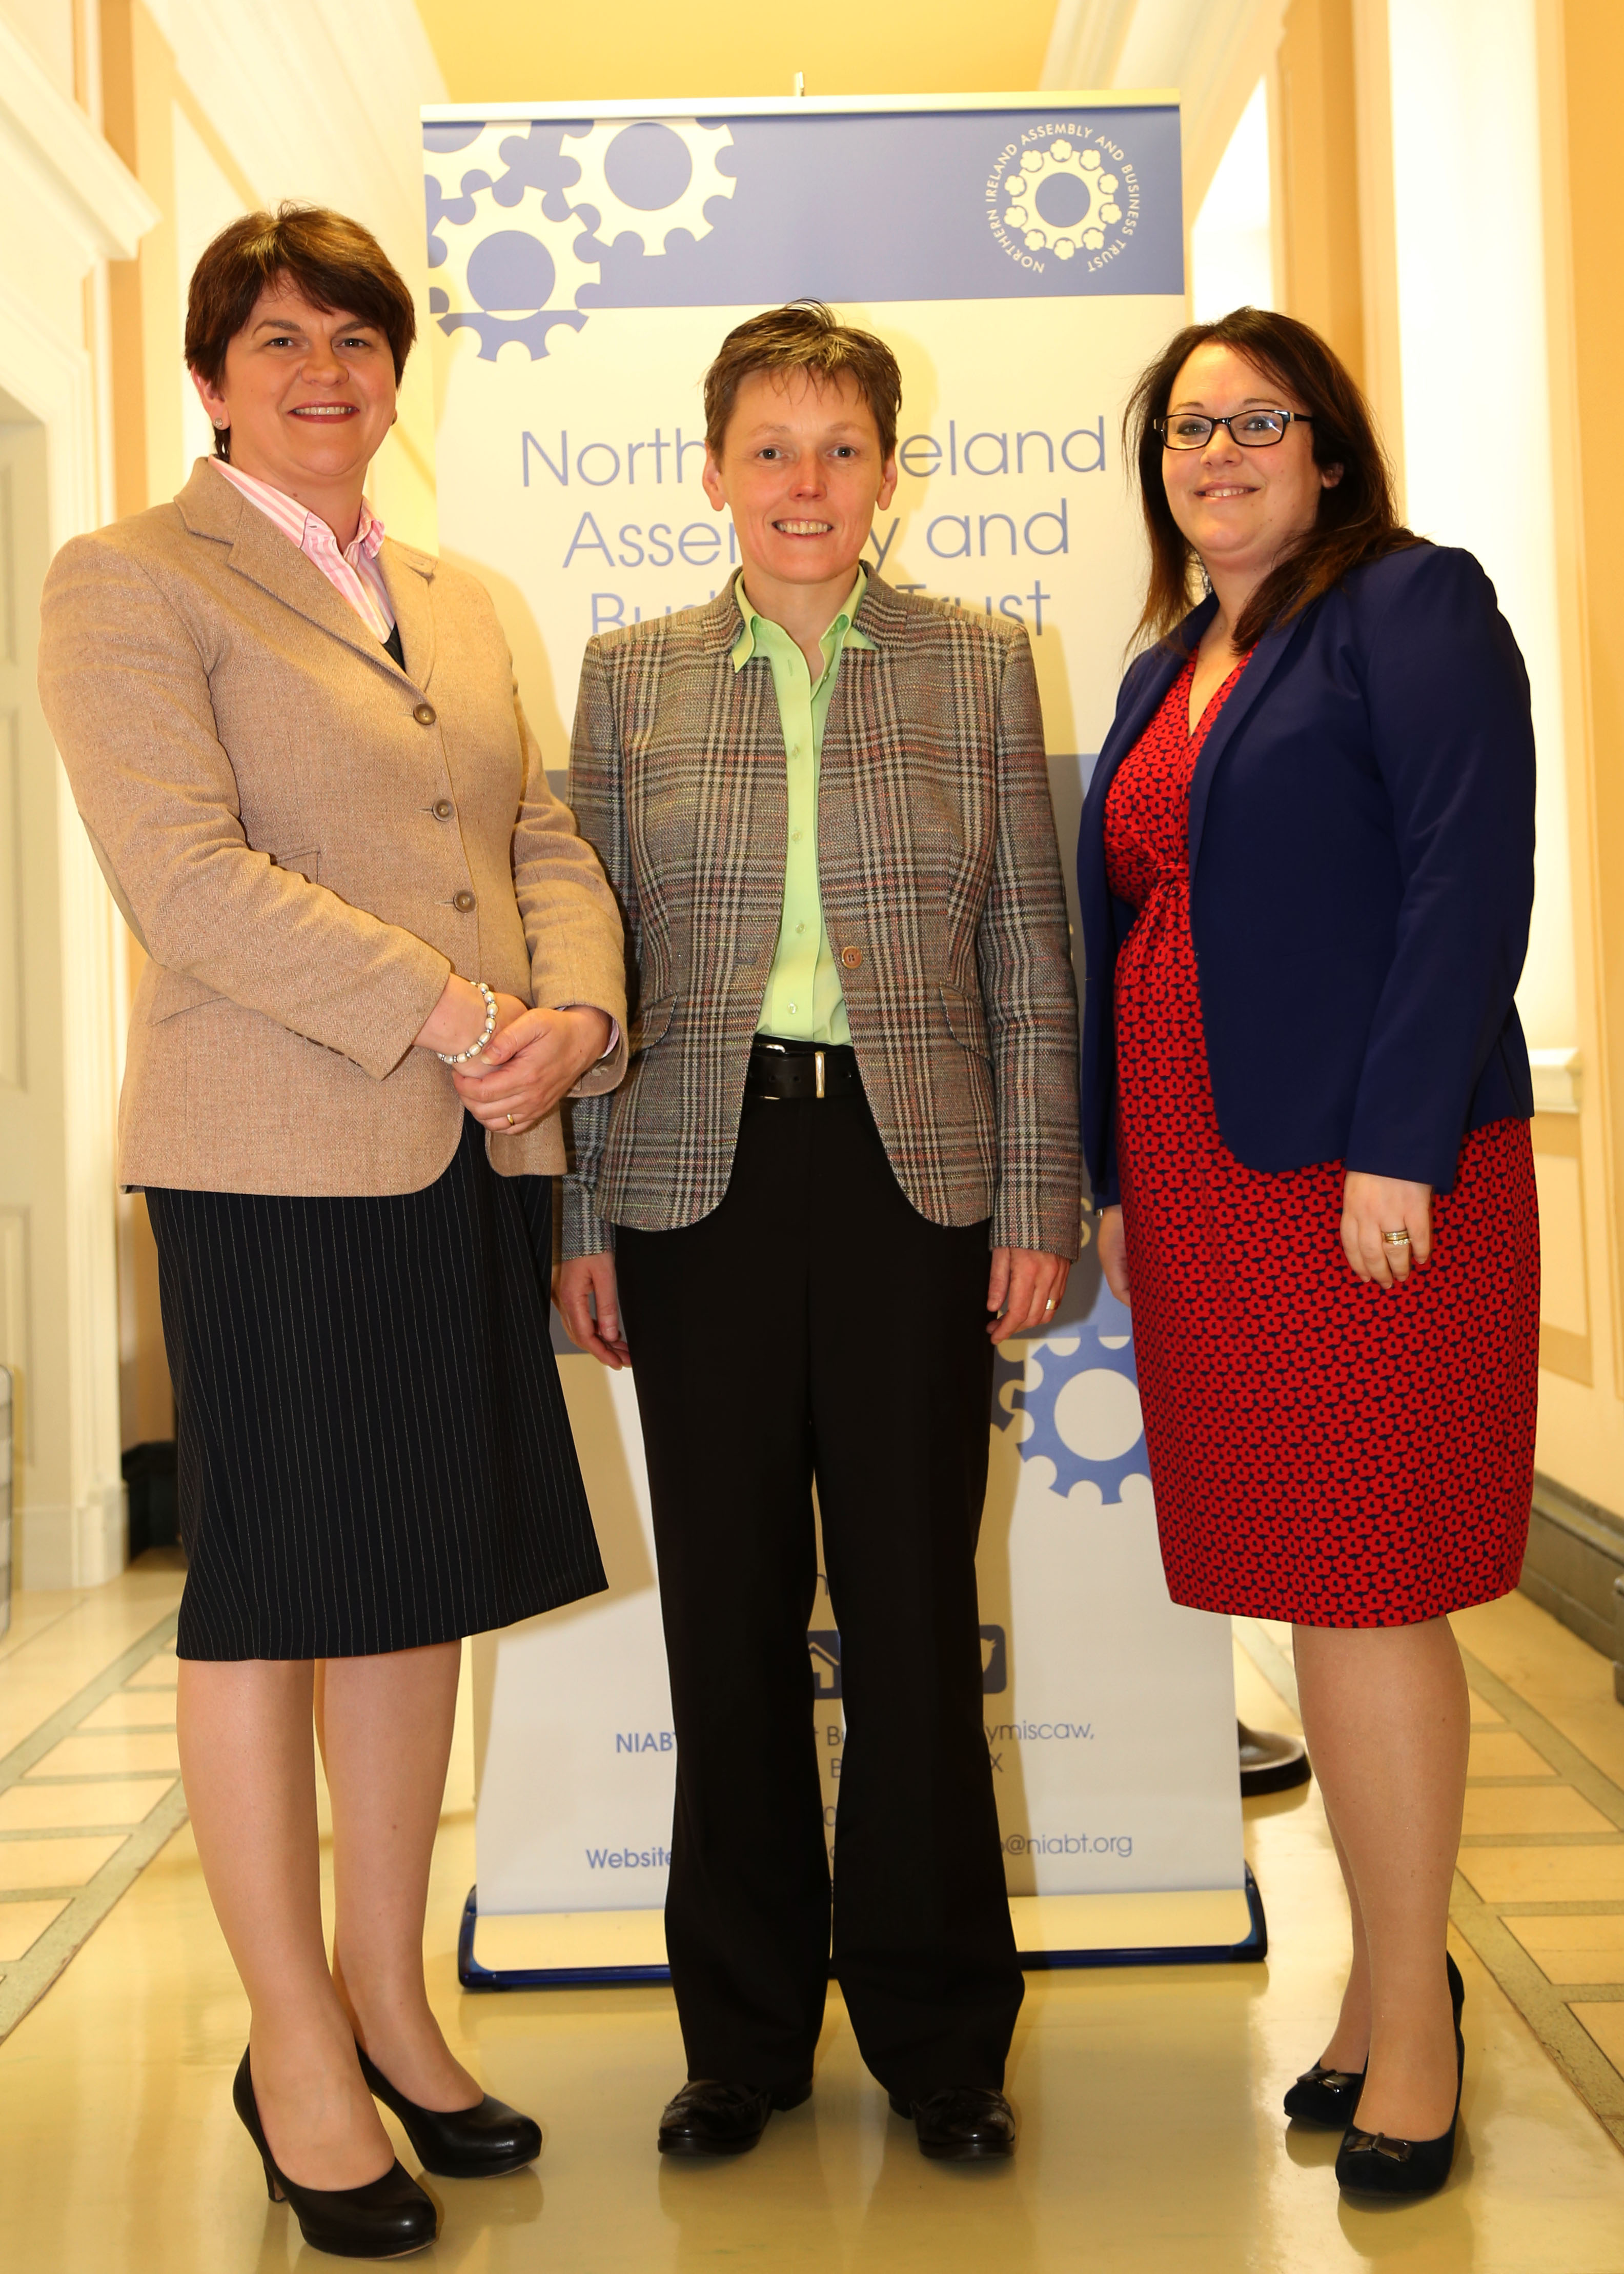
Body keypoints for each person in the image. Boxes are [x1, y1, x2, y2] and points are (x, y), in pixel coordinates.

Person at [37, 206, 628, 2260]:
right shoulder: (128, 576)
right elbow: (183, 874)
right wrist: (460, 1014)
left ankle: (392, 1999)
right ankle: (293, 2044)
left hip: (469, 1148)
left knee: (410, 1582)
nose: (322, 370)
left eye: (356, 337)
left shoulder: (460, 600)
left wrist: (575, 1015)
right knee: (274, 1595)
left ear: (398, 369)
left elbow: (535, 830)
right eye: (278, 338)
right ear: (212, 376)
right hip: (271, 1158)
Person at [556, 303, 1080, 2163]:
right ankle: (745, 2037)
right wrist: (583, 1203)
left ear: (887, 473)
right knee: (728, 1615)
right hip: (692, 1180)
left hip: (909, 1176)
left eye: (840, 447)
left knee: (916, 1614)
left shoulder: (980, 663)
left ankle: (942, 2040)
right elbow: (588, 948)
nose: (804, 481)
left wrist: (1036, 1193)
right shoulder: (628, 676)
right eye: (769, 448)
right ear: (713, 474)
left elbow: (1030, 949)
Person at [1078, 307, 1537, 2203]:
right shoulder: (1172, 659)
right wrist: (1115, 1172)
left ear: (1327, 450)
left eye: (1257, 421)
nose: (1218, 453)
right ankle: (1380, 1980)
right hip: (1204, 1181)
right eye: (1188, 429)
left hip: (1367, 1178)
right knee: (1301, 1586)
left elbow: (1465, 873)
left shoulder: (1412, 606)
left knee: (1371, 1585)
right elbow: (1126, 919)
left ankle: (1414, 2021)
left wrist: (1399, 1140)